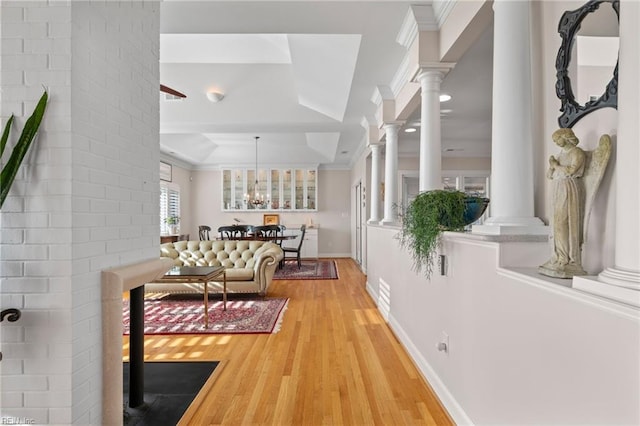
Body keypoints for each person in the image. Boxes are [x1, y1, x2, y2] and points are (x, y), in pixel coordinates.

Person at [539, 128, 587, 278]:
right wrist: (551, 165)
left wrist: (555, 165)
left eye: (557, 139)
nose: (555, 142)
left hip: (569, 187)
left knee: (565, 222)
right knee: (556, 223)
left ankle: (568, 260)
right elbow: (549, 175)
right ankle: (558, 257)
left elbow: (571, 171)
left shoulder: (577, 152)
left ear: (565, 138)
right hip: (558, 187)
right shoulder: (560, 155)